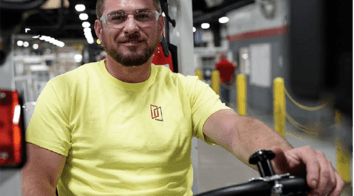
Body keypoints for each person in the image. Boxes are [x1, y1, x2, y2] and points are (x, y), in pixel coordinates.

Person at [21, 0, 345, 195]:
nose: (131, 27)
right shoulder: (64, 91)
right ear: (98, 30)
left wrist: (286, 158)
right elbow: (38, 181)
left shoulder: (184, 89)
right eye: (117, 17)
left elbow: (236, 129)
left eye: (144, 16)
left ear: (161, 27)